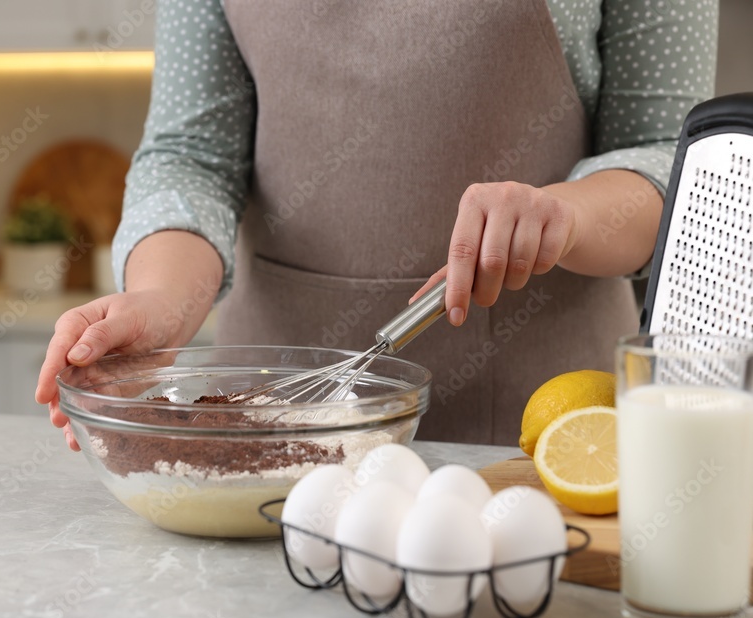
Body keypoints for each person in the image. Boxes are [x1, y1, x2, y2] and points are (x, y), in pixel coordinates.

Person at [37, 0, 719, 449]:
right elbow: (192, 156)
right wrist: (162, 300)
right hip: (274, 429)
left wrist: (567, 216)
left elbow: (670, 154)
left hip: (540, 430)